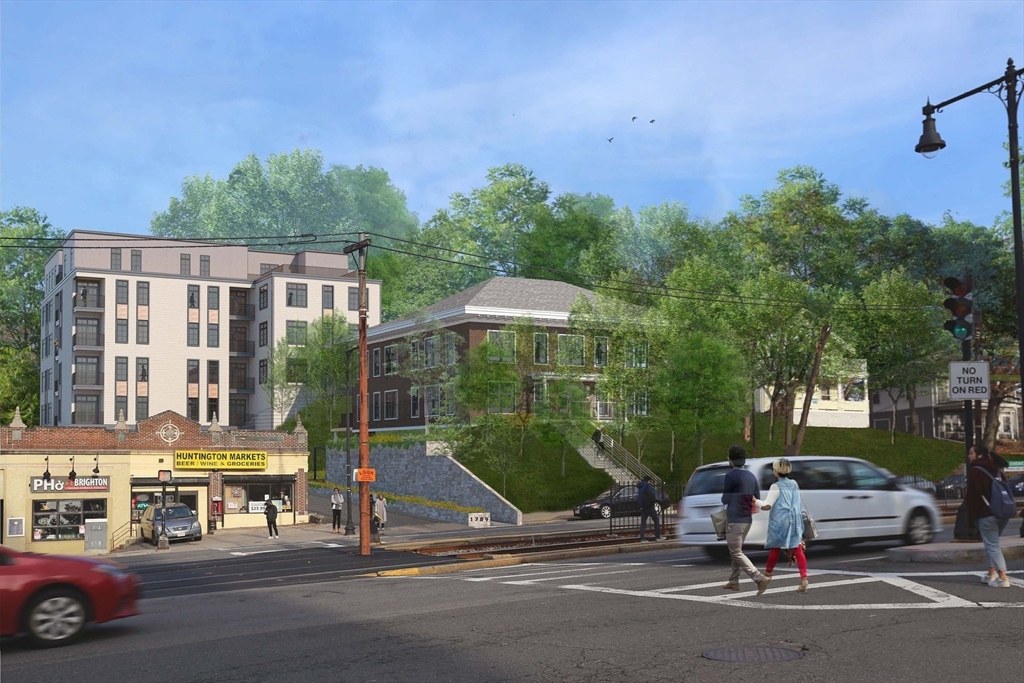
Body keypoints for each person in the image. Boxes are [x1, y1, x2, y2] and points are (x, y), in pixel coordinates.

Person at [720, 445, 770, 594]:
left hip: (735, 519)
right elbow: (756, 498)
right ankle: (734, 581)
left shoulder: (730, 476)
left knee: (735, 551)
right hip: (747, 519)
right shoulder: (751, 476)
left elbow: (725, 499)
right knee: (736, 550)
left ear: (731, 460)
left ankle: (758, 578)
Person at [760, 458, 809, 593]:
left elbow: (767, 505)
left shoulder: (775, 486)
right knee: (797, 549)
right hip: (795, 520)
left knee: (775, 549)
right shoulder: (794, 483)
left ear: (776, 471)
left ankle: (767, 576)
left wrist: (756, 502)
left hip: (780, 522)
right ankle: (804, 579)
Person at [966, 445, 1011, 587]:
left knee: (992, 545)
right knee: (991, 543)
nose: (969, 456)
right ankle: (991, 574)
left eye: (971, 453)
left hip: (986, 513)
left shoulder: (975, 472)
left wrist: (970, 517)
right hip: (1003, 512)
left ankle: (1003, 578)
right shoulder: (997, 470)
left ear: (979, 455)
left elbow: (973, 496)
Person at [637, 475, 662, 542]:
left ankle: (642, 538)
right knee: (656, 520)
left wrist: (640, 505)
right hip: (649, 507)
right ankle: (658, 537)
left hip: (643, 507)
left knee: (643, 523)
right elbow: (653, 494)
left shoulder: (640, 487)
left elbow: (639, 497)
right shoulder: (648, 486)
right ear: (648, 480)